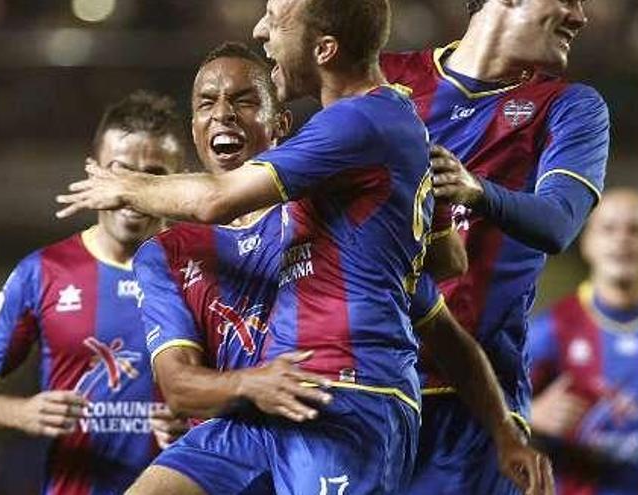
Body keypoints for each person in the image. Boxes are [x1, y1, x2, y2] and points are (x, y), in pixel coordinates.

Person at [58, 1, 431, 492]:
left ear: (281, 126)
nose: (222, 115)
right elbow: (178, 383)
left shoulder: (338, 165)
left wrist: (126, 185)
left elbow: (436, 304)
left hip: (337, 395)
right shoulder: (168, 252)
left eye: (244, 100)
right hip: (247, 419)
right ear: (193, 129)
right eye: (206, 104)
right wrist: (245, 385)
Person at [380, 0, 608, 492]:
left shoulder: (569, 107)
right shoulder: (385, 78)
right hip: (365, 389)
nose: (581, 16)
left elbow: (559, 221)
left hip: (477, 415)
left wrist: (476, 191)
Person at [0, 92, 186, 494]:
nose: (129, 190)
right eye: (118, 171)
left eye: (151, 175)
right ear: (93, 172)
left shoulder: (202, 272)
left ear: (176, 182)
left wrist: (198, 421)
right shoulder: (44, 272)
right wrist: (23, 412)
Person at [529, 189, 638, 495]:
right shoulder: (552, 328)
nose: (622, 239)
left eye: (636, 230)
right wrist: (529, 414)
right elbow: (486, 407)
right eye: (609, 229)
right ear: (587, 244)